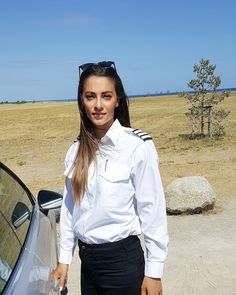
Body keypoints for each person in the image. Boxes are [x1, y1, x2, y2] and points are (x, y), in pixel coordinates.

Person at [50, 61, 168, 295]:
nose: (98, 105)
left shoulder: (136, 147)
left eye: (106, 96)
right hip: (89, 265)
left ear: (117, 100)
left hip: (122, 264)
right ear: (81, 101)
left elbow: (152, 211)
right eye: (90, 96)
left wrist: (154, 272)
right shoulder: (75, 151)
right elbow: (70, 209)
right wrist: (65, 259)